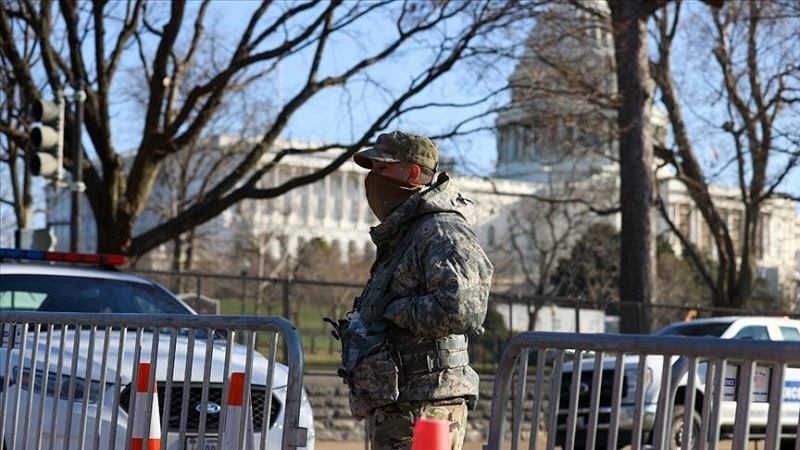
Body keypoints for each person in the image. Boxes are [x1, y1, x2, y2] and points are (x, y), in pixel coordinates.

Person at [336, 130, 494, 450]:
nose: (372, 178)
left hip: (429, 405)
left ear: (411, 173)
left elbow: (463, 307)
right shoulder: (406, 231)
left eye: (382, 168)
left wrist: (391, 308)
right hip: (402, 401)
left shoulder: (441, 229)